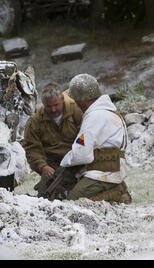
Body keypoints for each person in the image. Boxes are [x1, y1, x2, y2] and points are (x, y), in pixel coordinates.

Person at [60, 74, 131, 203]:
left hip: (101, 174)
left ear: (81, 100)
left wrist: (65, 161)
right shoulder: (107, 112)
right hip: (110, 171)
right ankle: (116, 189)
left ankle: (117, 194)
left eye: (75, 100)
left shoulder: (94, 117)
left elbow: (82, 154)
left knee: (72, 200)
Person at [23, 82, 83, 197]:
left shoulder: (76, 112)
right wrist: (42, 166)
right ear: (43, 104)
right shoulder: (36, 121)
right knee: (45, 194)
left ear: (62, 99)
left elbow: (85, 136)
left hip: (77, 161)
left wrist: (78, 155)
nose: (53, 109)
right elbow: (32, 148)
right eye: (48, 106)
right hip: (53, 167)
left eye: (56, 105)